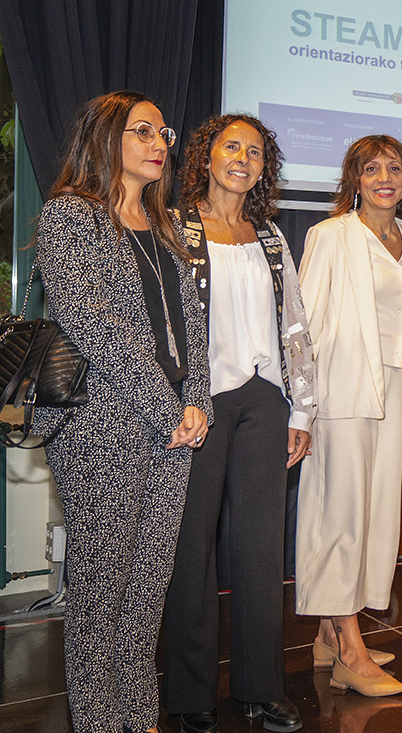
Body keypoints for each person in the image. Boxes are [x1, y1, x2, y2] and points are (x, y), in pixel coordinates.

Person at [34, 91, 211, 733]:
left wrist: (197, 402)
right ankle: (99, 720)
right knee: (101, 591)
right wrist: (166, 409)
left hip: (171, 426)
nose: (159, 143)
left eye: (163, 133)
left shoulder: (165, 224)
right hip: (99, 426)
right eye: (142, 131)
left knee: (146, 588)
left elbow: (192, 326)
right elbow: (99, 328)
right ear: (105, 137)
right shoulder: (70, 217)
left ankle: (137, 714)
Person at [162, 115, 316, 733]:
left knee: (260, 548)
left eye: (255, 152)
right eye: (232, 147)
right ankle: (190, 693)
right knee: (191, 549)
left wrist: (301, 409)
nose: (243, 159)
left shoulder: (271, 237)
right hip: (197, 405)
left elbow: (296, 326)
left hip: (264, 401)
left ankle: (261, 687)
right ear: (206, 156)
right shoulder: (173, 226)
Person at [296, 135, 402, 697]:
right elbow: (302, 328)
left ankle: (329, 635)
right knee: (342, 513)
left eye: (394, 168)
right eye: (372, 168)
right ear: (355, 178)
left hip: (397, 388)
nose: (384, 178)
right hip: (343, 391)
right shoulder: (330, 235)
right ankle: (350, 653)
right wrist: (302, 409)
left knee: (377, 509)